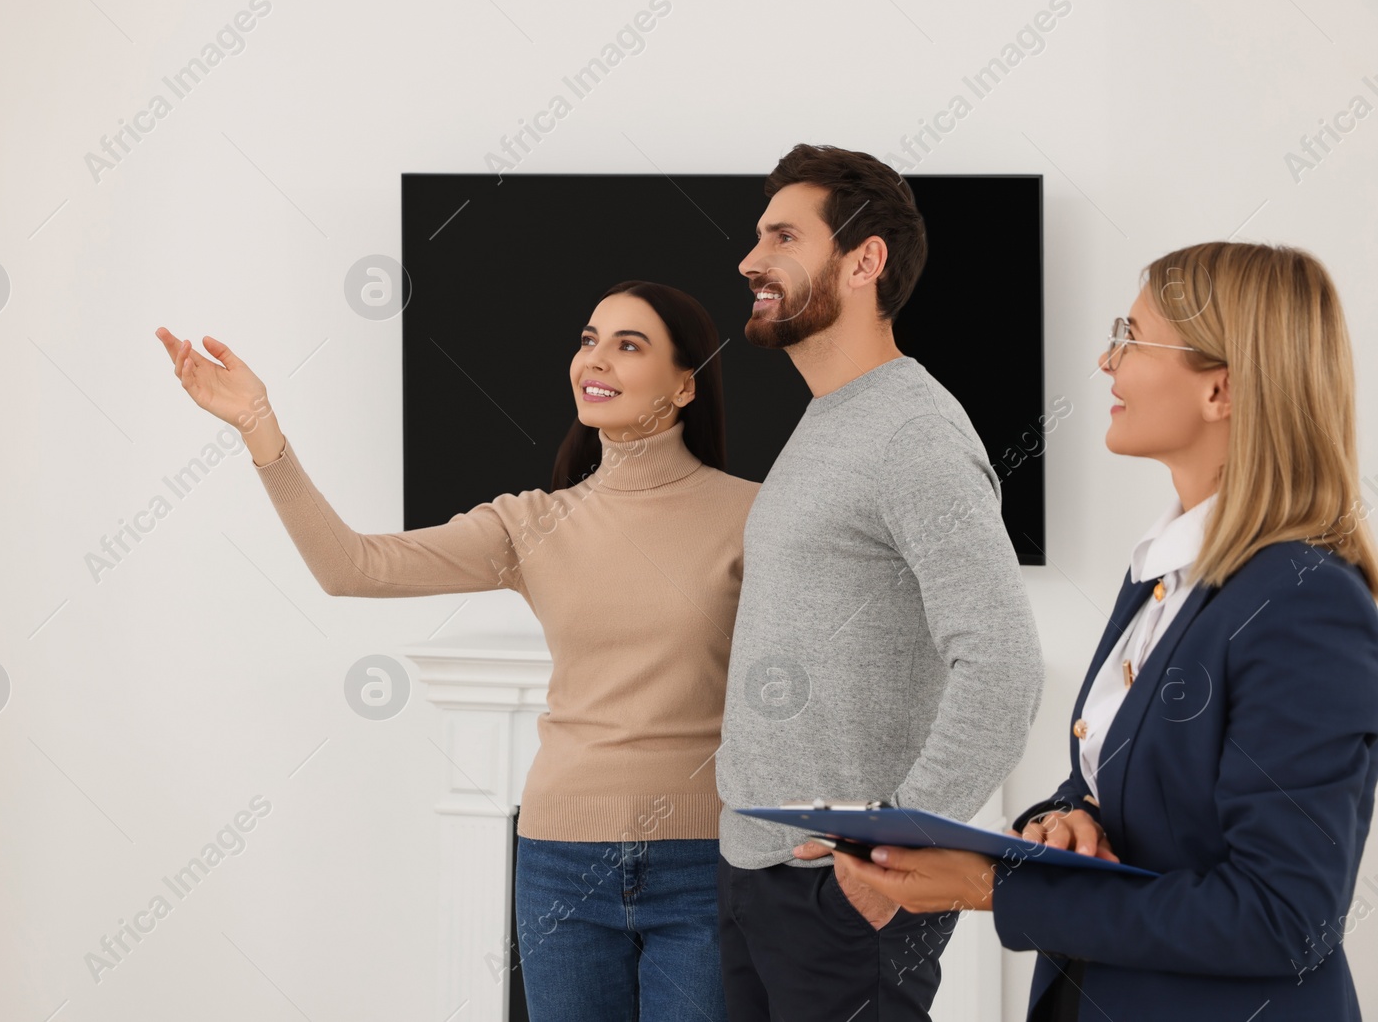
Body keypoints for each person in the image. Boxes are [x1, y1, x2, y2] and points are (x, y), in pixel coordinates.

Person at [156, 280, 760, 1022]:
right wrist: (258, 428)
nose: (594, 359)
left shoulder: (755, 513)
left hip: (704, 860)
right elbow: (351, 566)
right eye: (588, 338)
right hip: (559, 861)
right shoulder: (531, 523)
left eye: (628, 345)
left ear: (685, 383)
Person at [829, 241, 1378, 1021]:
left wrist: (995, 885)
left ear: (1220, 388)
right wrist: (1062, 819)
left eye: (1131, 334)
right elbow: (1124, 790)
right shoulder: (1162, 576)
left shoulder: (1304, 602)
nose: (1104, 358)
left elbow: (1286, 918)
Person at [714, 143, 1046, 1022]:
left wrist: (893, 850)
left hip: (839, 895)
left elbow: (1004, 663)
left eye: (784, 236)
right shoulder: (827, 421)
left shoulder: (914, 432)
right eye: (757, 235)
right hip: (757, 876)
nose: (751, 258)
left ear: (865, 260)